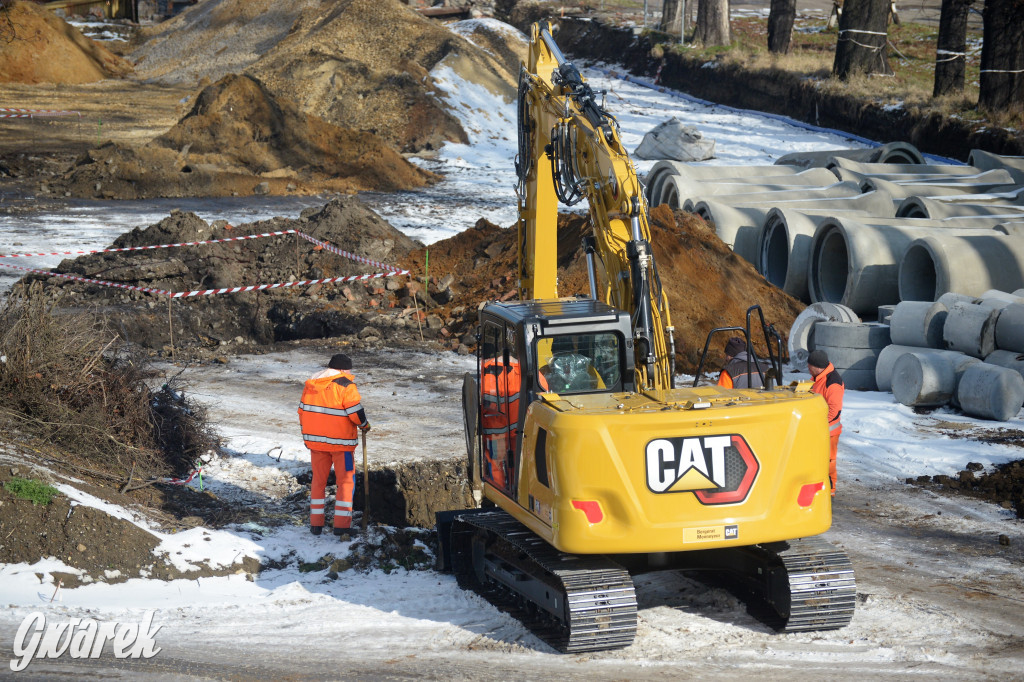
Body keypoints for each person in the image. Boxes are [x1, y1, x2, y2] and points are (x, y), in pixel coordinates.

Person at [297, 353, 370, 536]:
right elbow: (355, 411)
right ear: (343, 369)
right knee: (345, 482)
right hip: (341, 446)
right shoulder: (345, 385)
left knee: (318, 482)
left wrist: (307, 435)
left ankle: (316, 525)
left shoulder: (311, 385)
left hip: (316, 444)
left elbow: (302, 411)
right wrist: (364, 425)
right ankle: (342, 526)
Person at [480, 353, 521, 490]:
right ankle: (517, 493)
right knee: (517, 463)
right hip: (519, 430)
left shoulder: (488, 371)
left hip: (496, 430)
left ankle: (499, 494)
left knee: (496, 465)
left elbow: (488, 405)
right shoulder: (527, 368)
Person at [807, 349, 844, 496]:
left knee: (828, 462)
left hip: (829, 432)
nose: (808, 368)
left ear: (817, 367)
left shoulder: (832, 383)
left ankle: (830, 491)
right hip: (820, 430)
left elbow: (834, 410)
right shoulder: (818, 377)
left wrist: (819, 425)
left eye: (809, 366)